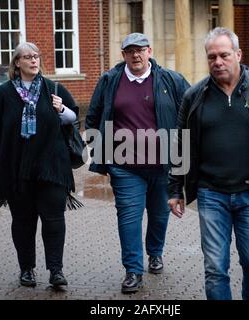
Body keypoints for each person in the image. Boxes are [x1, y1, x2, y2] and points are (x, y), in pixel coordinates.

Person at [168, 27, 249, 300]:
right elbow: (180, 143)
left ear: (238, 54)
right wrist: (175, 189)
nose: (218, 62)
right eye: (212, 57)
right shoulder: (194, 96)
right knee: (215, 268)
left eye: (224, 55)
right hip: (211, 195)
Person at [85, 33, 190, 293]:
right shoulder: (110, 81)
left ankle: (155, 252)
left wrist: (184, 157)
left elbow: (190, 115)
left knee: (158, 215)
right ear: (123, 55)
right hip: (125, 167)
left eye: (140, 50)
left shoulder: (171, 80)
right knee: (129, 218)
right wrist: (104, 157)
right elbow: (93, 117)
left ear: (150, 51)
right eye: (130, 51)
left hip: (163, 165)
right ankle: (133, 270)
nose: (136, 55)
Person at [0, 42, 79, 288]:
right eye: (28, 57)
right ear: (17, 63)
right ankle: (27, 269)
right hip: (16, 170)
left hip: (51, 169)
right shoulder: (3, 94)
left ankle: (56, 271)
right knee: (23, 222)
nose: (34, 61)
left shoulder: (53, 88)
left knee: (54, 220)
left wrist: (62, 108)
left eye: (36, 56)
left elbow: (73, 117)